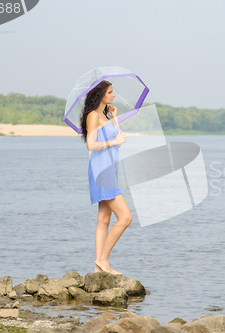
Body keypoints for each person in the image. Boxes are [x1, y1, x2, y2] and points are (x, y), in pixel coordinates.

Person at [79, 80, 132, 276]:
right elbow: (90, 145)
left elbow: (116, 141)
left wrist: (114, 119)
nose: (113, 95)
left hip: (108, 170)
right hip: (101, 172)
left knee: (104, 219)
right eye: (110, 92)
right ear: (100, 95)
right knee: (125, 218)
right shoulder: (93, 116)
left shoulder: (104, 115)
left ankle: (97, 268)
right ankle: (102, 260)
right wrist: (113, 141)